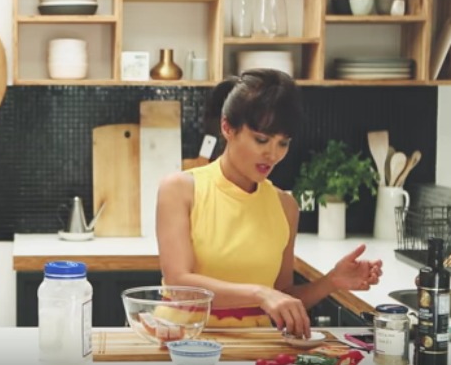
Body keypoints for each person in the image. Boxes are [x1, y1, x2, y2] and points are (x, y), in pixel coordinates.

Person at [154, 68, 383, 339]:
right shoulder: (180, 189)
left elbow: (282, 295)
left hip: (256, 346)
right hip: (183, 341)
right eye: (261, 140)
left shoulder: (285, 206)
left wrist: (331, 281)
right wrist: (259, 293)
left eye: (282, 143)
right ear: (227, 128)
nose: (272, 154)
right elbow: (179, 284)